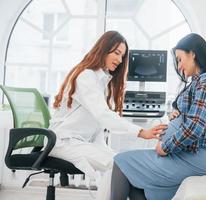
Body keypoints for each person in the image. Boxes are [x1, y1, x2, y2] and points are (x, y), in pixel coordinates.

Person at [110, 33, 206, 200]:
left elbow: (194, 128)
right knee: (135, 183)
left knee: (121, 162)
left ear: (193, 54)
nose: (179, 66)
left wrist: (165, 147)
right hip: (189, 154)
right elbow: (189, 112)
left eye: (180, 59)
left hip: (196, 158)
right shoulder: (198, 82)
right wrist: (176, 112)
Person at [48, 30, 167, 185]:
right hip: (64, 142)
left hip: (80, 142)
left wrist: (108, 152)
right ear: (104, 49)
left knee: (122, 161)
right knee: (122, 166)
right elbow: (102, 114)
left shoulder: (102, 81)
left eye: (122, 56)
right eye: (117, 53)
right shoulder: (86, 76)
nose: (119, 59)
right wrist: (141, 132)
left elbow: (97, 127)